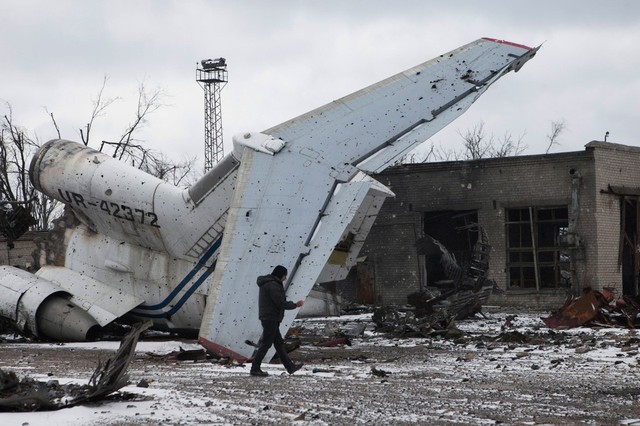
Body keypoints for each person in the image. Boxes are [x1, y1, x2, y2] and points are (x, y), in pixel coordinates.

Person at [250, 265, 304, 377]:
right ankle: (255, 368)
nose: (285, 278)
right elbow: (279, 302)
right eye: (285, 275)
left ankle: (290, 367)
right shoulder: (272, 285)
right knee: (266, 344)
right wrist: (295, 305)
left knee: (278, 344)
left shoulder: (269, 283)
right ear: (281, 275)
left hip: (269, 317)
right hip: (270, 318)